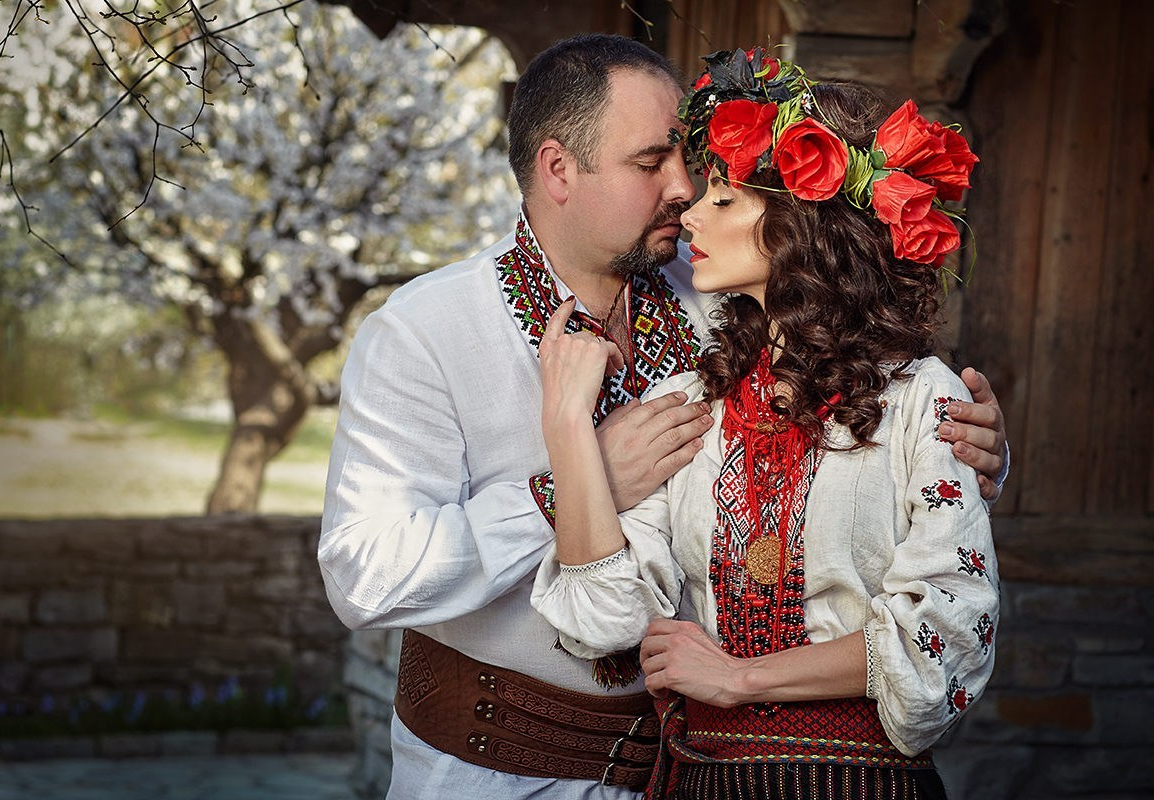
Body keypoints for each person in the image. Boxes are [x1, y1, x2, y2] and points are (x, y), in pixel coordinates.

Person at [319, 35, 1007, 800]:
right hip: (499, 773)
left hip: (706, 769)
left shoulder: (731, 288)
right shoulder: (427, 330)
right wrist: (573, 489)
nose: (683, 186)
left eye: (688, 161)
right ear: (558, 170)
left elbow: (865, 415)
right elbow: (365, 579)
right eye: (650, 163)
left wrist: (970, 449)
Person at [531, 49, 999, 799]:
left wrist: (740, 678)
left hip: (861, 785)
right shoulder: (692, 404)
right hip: (702, 782)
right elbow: (602, 617)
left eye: (725, 198)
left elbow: (945, 631)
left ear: (800, 221)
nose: (688, 212)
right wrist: (566, 427)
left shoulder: (923, 398)